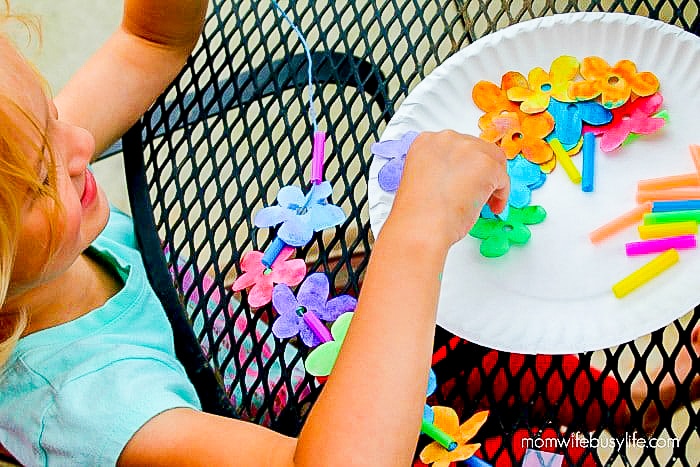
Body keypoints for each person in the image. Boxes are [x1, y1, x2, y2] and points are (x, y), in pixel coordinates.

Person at [0, 1, 511, 465]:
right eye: (42, 177)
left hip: (258, 334)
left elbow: (148, 44)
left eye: (52, 113)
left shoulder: (30, 184)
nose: (81, 141)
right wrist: (418, 231)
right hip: (297, 425)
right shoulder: (83, 407)